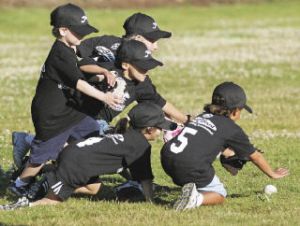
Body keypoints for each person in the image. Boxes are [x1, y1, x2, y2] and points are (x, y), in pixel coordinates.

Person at [11, 12, 185, 169]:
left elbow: (158, 102)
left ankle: (29, 146)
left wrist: (187, 121)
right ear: (138, 38)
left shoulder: (139, 74)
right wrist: (100, 72)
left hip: (90, 119)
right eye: (152, 41)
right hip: (71, 109)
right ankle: (33, 168)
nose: (155, 47)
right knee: (95, 152)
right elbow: (74, 54)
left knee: (93, 149)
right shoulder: (107, 45)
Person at [8, 3, 122, 197]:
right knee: (41, 157)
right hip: (53, 116)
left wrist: (102, 76)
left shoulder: (70, 49)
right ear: (63, 30)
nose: (82, 36)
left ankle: (68, 165)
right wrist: (105, 97)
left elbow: (77, 76)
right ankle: (19, 184)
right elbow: (78, 83)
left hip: (70, 112)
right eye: (78, 32)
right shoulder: (60, 53)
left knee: (93, 132)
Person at [0, 103, 176, 210]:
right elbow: (144, 179)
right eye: (160, 127)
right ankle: (28, 201)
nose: (162, 131)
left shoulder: (128, 135)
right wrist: (152, 200)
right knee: (52, 201)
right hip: (76, 165)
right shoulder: (140, 146)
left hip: (75, 154)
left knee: (95, 189)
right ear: (149, 129)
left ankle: (51, 173)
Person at [160, 82, 289, 211]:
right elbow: (256, 156)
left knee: (190, 171)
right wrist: (273, 174)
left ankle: (190, 189)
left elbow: (205, 142)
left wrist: (229, 154)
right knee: (219, 194)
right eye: (241, 111)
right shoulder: (232, 129)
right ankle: (195, 199)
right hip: (190, 165)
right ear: (235, 111)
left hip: (167, 157)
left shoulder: (203, 116)